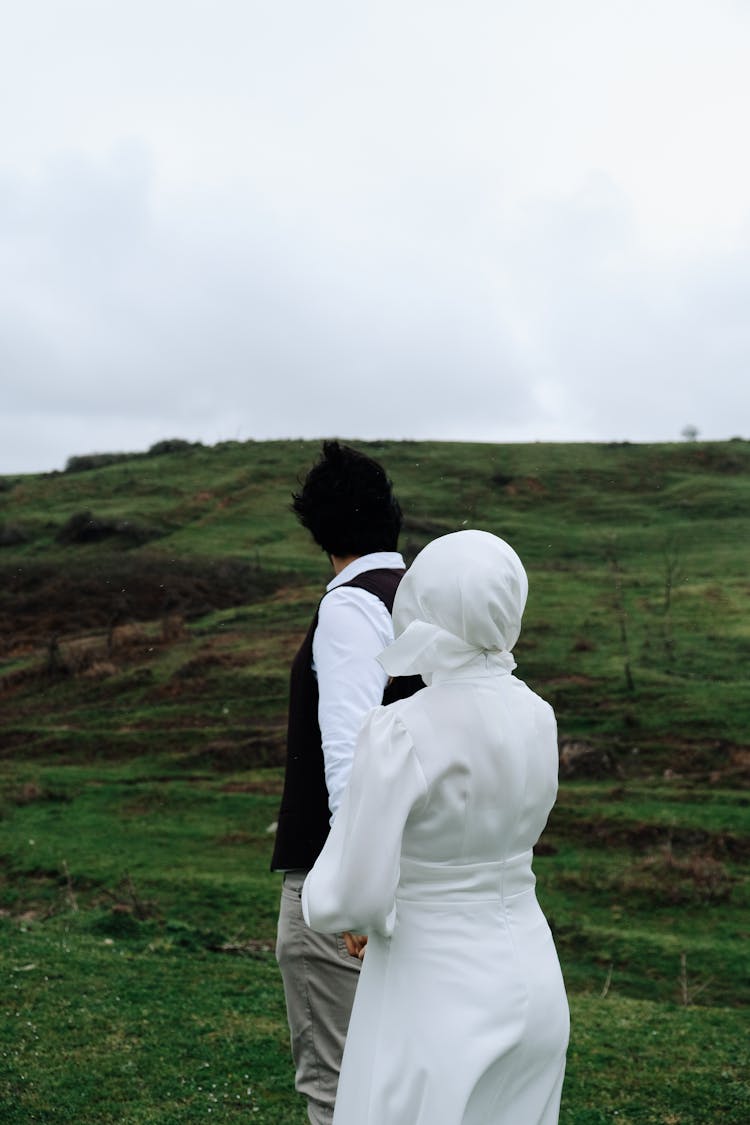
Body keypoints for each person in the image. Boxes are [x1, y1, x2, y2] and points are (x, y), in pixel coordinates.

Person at [302, 529, 570, 1125]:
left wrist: (349, 912)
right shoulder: (538, 714)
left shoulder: (402, 728)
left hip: (433, 984)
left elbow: (354, 887)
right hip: (533, 970)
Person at [270, 440, 421, 1125]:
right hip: (418, 876)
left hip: (343, 887)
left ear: (319, 530)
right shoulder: (430, 602)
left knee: (338, 1090)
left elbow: (352, 755)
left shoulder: (349, 608)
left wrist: (352, 890)